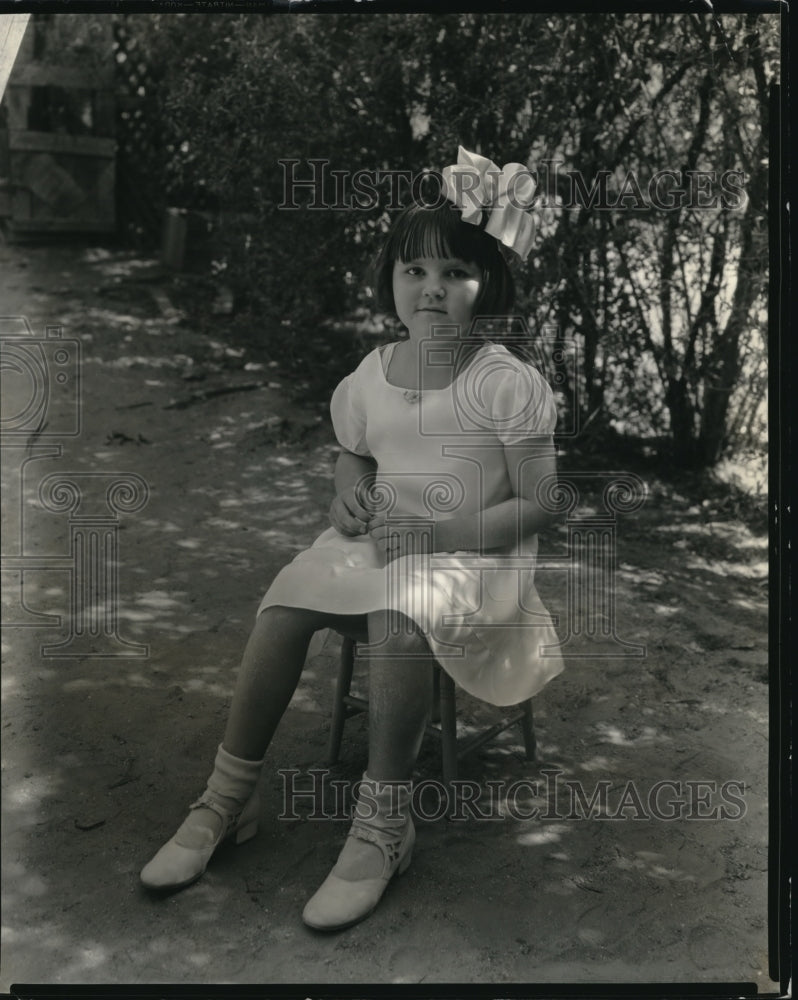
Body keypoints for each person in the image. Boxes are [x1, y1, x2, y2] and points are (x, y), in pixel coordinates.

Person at [140, 147, 565, 931]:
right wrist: (345, 499)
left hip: (476, 550)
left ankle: (383, 824)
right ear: (391, 283)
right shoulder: (373, 372)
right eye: (414, 272)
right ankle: (226, 799)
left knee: (400, 611)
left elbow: (542, 502)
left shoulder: (504, 379)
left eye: (454, 273)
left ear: (488, 282)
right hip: (383, 537)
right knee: (284, 602)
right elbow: (356, 455)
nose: (431, 289)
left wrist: (439, 528)